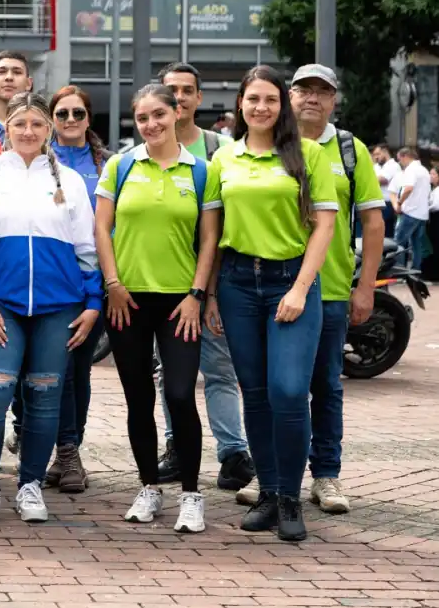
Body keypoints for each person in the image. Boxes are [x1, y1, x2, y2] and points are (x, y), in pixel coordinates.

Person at [204, 65, 337, 542]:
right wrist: (212, 293)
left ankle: (290, 497)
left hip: (290, 278)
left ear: (282, 105)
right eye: (252, 98)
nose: (261, 107)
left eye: (270, 99)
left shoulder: (308, 153)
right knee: (255, 393)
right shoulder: (225, 157)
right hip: (238, 282)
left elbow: (324, 225)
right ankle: (269, 493)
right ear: (240, 104)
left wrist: (301, 287)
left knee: (287, 390)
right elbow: (213, 233)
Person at [0, 91, 101, 525]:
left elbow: (86, 249)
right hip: (1, 306)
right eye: (20, 123)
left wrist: (93, 303)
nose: (29, 131)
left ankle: (31, 484)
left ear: (49, 129)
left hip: (60, 309)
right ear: (6, 128)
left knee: (44, 394)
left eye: (37, 124)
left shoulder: (69, 181)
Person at [94, 84, 219, 534]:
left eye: (159, 114)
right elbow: (102, 229)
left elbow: (209, 239)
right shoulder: (120, 166)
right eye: (143, 117)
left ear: (176, 112)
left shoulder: (201, 171)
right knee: (138, 398)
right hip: (126, 300)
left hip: (180, 301)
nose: (151, 124)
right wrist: (112, 284)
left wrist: (197, 294)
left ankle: (191, 493)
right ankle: (148, 485)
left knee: (181, 395)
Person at [287, 64, 385, 516]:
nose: (312, 98)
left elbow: (372, 221)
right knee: (275, 386)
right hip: (272, 286)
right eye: (304, 89)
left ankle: (326, 473)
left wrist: (365, 287)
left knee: (325, 384)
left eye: (322, 91)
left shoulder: (350, 150)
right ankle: (269, 470)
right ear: (290, 96)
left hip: (328, 290)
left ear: (333, 100)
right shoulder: (268, 143)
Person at [155, 63, 254, 491]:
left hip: (214, 280)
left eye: (187, 91)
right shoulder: (140, 150)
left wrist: (210, 288)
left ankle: (233, 453)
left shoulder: (221, 148)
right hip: (164, 279)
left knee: (219, 368)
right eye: (170, 90)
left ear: (198, 98)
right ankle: (177, 446)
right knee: (167, 372)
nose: (178, 97)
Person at [41, 85, 109, 493]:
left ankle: (69, 451)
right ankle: (64, 450)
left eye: (77, 114)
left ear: (89, 118)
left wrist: (102, 286)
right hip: (47, 283)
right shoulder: (37, 161)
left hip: (91, 283)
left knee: (76, 371)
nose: (69, 121)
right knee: (54, 372)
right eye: (62, 114)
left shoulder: (106, 165)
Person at [393, 147, 431, 271]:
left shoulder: (411, 169)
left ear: (405, 156)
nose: (400, 163)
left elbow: (408, 188)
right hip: (422, 213)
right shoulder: (424, 170)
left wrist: (399, 202)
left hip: (410, 212)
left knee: (398, 242)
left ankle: (399, 269)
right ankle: (416, 271)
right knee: (416, 245)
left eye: (400, 160)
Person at [372, 144, 402, 238]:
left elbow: (382, 180)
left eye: (378, 154)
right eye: (374, 155)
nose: (376, 157)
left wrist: (369, 179)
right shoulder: (376, 166)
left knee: (386, 232)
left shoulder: (393, 166)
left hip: (388, 203)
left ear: (385, 152)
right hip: (377, 202)